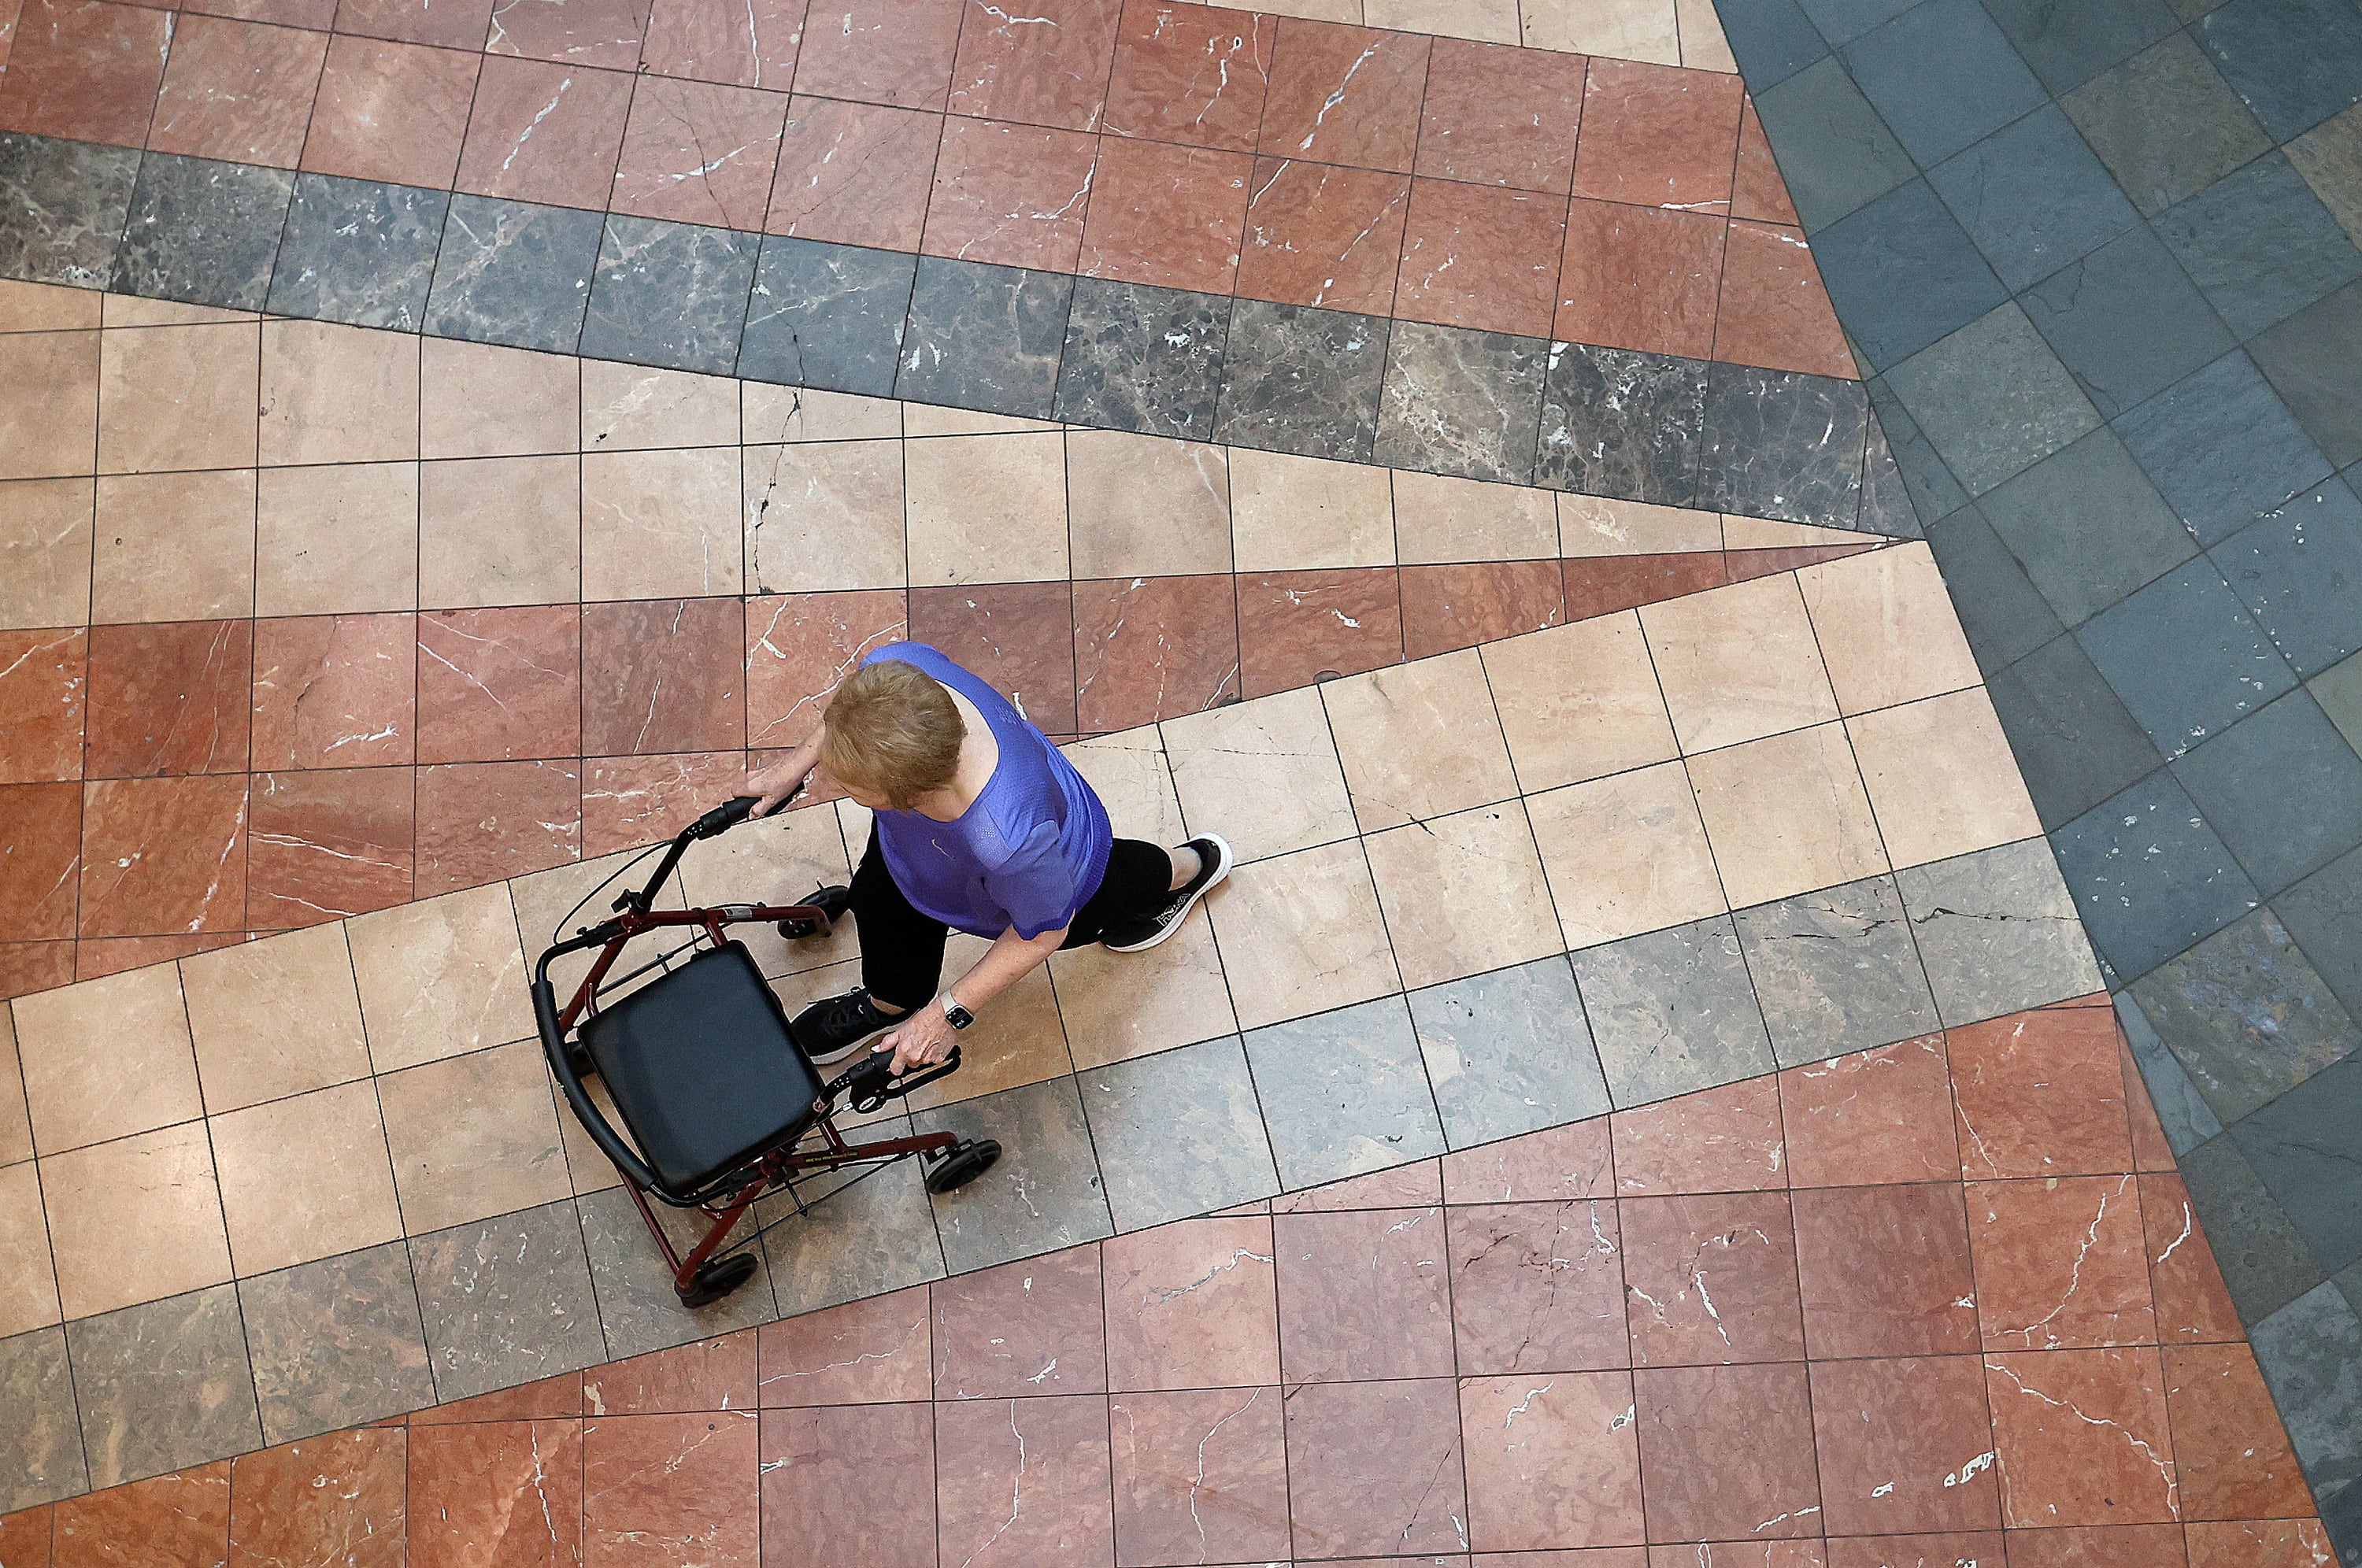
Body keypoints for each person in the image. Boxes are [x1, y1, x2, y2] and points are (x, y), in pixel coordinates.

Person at [746, 642, 1230, 1075]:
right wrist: (789, 770)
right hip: (919, 859)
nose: (837, 787)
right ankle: (888, 1005)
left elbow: (1043, 931)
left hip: (1063, 874)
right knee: (878, 904)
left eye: (854, 791)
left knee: (1120, 885)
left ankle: (1193, 867)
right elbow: (847, 707)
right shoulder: (899, 670)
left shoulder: (1006, 842)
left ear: (911, 794)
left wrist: (946, 1011)